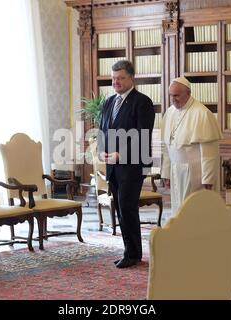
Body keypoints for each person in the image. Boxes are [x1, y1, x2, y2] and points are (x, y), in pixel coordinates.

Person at [97, 60, 155, 268]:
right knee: (121, 209)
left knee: (127, 207)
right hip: (112, 165)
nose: (116, 82)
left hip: (133, 164)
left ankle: (133, 254)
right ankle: (129, 250)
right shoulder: (109, 102)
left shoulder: (142, 102)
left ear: (131, 78)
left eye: (121, 78)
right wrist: (101, 151)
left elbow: (142, 135)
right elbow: (103, 130)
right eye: (113, 78)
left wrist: (121, 155)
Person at [161, 77, 222, 216]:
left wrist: (208, 178)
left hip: (195, 171)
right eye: (171, 95)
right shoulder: (169, 112)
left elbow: (209, 152)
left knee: (195, 211)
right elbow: (167, 147)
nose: (173, 99)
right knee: (178, 209)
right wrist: (165, 173)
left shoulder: (202, 113)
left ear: (188, 93)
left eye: (176, 95)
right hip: (176, 170)